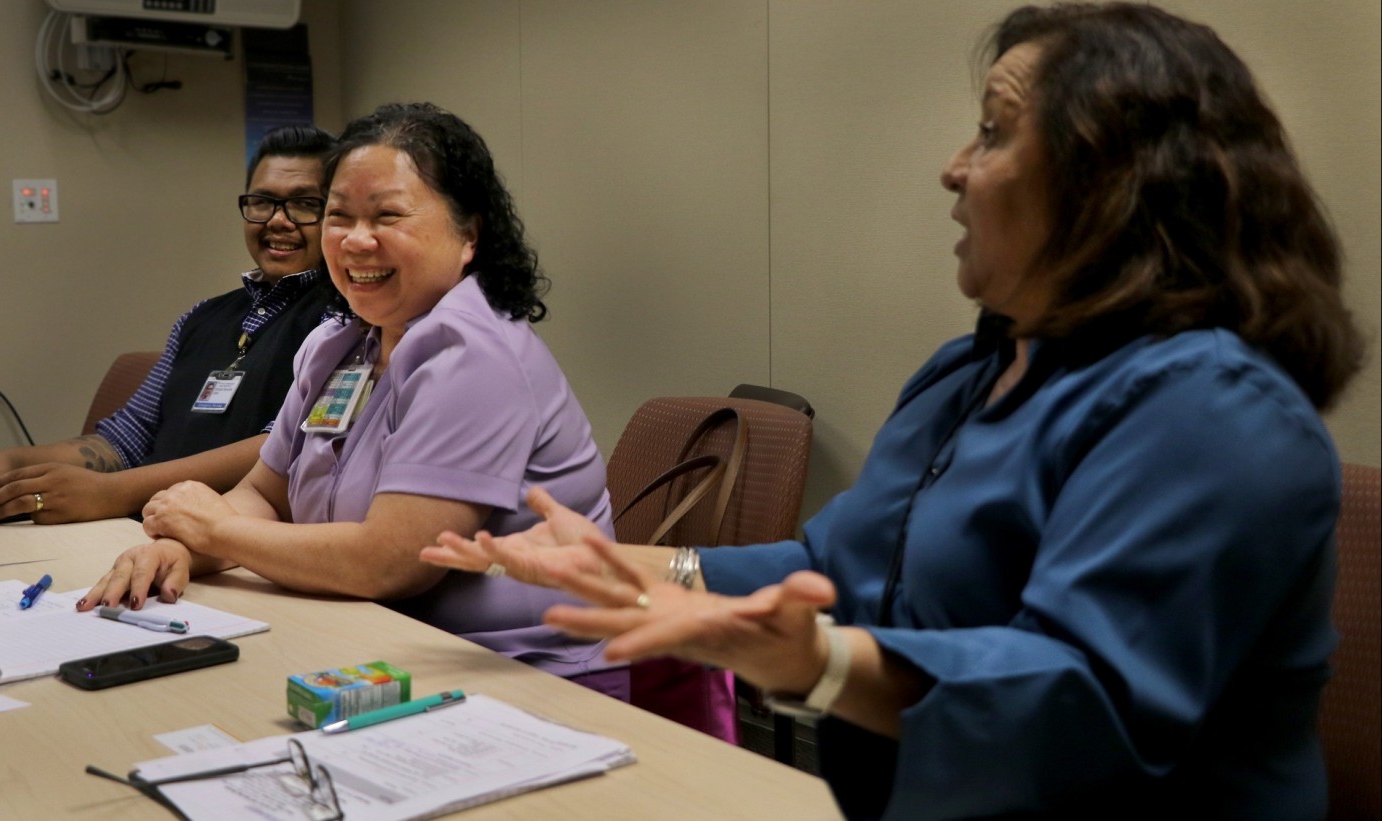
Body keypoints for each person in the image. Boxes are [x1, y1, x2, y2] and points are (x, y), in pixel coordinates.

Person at [421, 3, 1366, 817]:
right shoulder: (968, 372)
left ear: (1112, 179)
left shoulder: (1212, 406)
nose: (954, 168)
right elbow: (835, 567)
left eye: (994, 135)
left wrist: (822, 663)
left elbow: (1082, 699)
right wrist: (625, 567)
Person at [79, 103, 626, 698]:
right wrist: (176, 548)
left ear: (469, 234)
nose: (358, 241)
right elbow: (268, 493)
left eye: (388, 215)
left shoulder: (475, 355)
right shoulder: (338, 345)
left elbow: (390, 561)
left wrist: (215, 533)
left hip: (525, 679)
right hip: (373, 647)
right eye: (340, 216)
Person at [0, 125, 339, 524]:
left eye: (304, 203)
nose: (278, 220)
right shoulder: (200, 317)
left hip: (231, 546)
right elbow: (125, 439)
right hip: (141, 529)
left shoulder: (342, 323)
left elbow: (281, 449)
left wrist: (113, 492)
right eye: (263, 201)